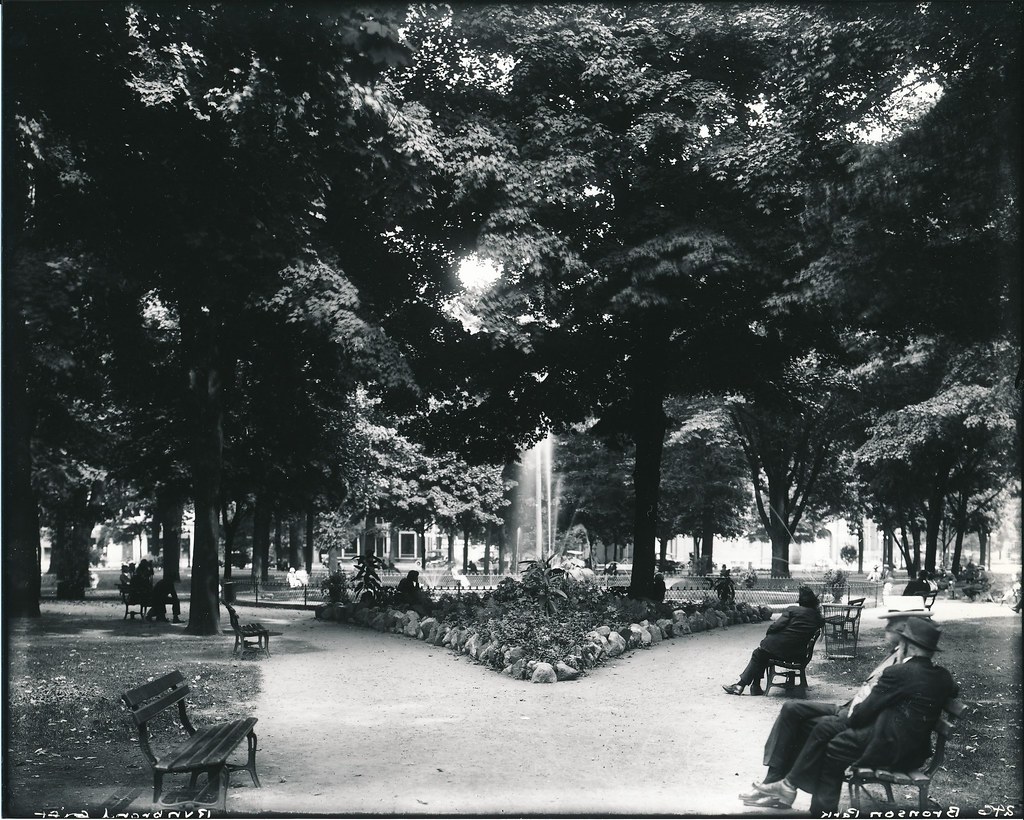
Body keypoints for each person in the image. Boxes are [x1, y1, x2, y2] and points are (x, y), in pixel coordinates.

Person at [748, 616, 958, 814]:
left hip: (891, 749)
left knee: (833, 741)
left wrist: (856, 710)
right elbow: (951, 690)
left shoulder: (899, 673)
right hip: (912, 751)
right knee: (824, 728)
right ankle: (789, 786)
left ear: (907, 644)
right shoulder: (943, 677)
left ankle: (809, 803)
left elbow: (859, 717)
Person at [723, 586, 824, 696]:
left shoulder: (792, 610)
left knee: (759, 653)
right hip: (798, 655)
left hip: (781, 652)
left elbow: (776, 626)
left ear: (800, 601)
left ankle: (741, 685)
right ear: (814, 602)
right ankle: (755, 686)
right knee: (762, 654)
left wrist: (770, 634)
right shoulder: (818, 618)